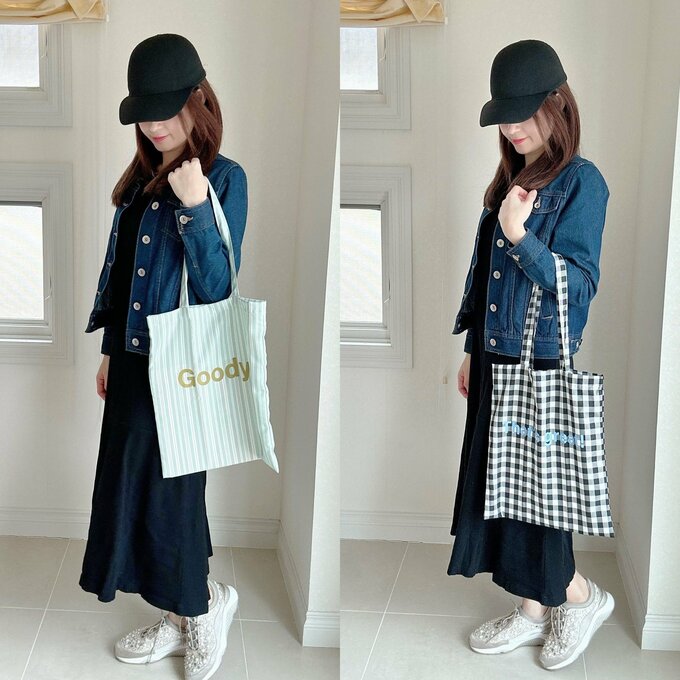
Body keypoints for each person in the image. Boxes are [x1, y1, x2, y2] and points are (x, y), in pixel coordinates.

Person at [80, 33, 246, 680]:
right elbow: (122, 275)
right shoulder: (138, 182)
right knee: (137, 490)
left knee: (173, 495)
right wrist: (108, 351)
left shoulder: (224, 179)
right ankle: (182, 611)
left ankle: (200, 609)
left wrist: (196, 206)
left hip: (183, 367)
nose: (153, 126)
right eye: (144, 114)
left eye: (165, 111)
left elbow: (217, 288)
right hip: (131, 360)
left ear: (198, 101)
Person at [448, 39, 615, 671]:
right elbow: (485, 279)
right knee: (506, 490)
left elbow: (577, 285)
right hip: (496, 357)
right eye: (504, 117)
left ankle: (579, 597)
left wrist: (519, 236)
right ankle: (533, 607)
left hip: (541, 362)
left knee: (542, 496)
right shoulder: (511, 181)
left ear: (557, 106)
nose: (512, 128)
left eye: (523, 113)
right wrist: (473, 348)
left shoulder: (582, 183)